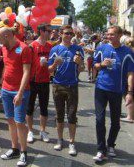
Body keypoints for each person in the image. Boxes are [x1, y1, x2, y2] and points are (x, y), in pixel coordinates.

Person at [92, 26, 134, 163]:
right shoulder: (102, 48)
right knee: (99, 120)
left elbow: (130, 73)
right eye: (108, 34)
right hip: (101, 88)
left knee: (115, 121)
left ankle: (110, 144)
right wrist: (102, 64)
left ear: (120, 35)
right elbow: (95, 65)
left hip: (117, 90)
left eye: (112, 34)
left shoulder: (127, 52)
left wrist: (129, 93)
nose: (109, 37)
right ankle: (101, 150)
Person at [0, 27, 32, 167]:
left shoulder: (24, 48)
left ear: (7, 35)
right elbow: (6, 65)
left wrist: (20, 93)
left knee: (19, 122)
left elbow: (26, 72)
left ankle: (24, 152)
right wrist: (1, 83)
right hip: (6, 89)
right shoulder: (4, 48)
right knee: (10, 120)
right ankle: (14, 149)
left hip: (19, 91)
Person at [48, 25, 84, 156]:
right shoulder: (55, 49)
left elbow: (82, 68)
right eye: (66, 33)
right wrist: (54, 64)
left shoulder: (78, 49)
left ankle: (72, 142)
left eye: (70, 33)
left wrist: (79, 63)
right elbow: (49, 70)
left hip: (72, 86)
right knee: (59, 114)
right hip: (58, 85)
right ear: (61, 34)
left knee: (71, 115)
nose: (69, 36)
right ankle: (59, 139)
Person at [26, 23, 52, 143]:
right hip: (32, 81)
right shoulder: (32, 46)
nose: (50, 33)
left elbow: (51, 66)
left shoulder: (50, 46)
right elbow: (26, 65)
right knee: (29, 108)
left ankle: (42, 131)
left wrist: (50, 65)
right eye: (48, 31)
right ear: (41, 31)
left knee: (44, 108)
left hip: (45, 80)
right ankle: (30, 131)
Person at [120, 37, 134, 123]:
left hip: (129, 76)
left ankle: (130, 116)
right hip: (130, 75)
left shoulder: (129, 52)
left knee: (128, 95)